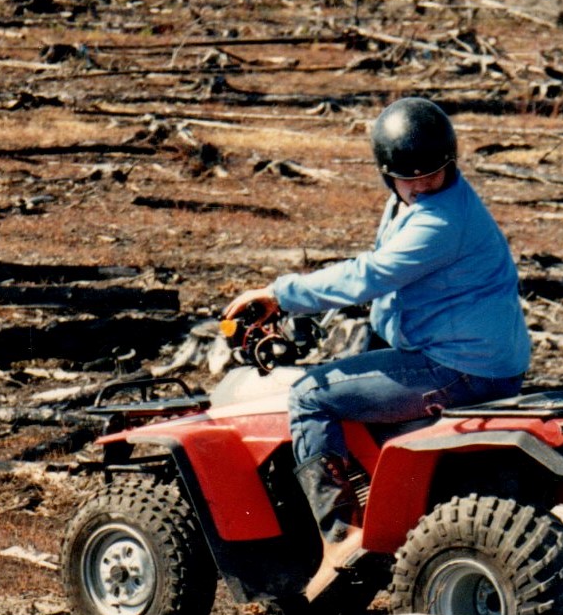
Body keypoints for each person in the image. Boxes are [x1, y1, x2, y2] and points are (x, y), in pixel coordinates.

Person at [224, 97, 530, 571]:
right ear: (387, 174)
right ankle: (375, 494)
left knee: (309, 396)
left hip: (460, 369)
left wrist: (280, 295)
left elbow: (373, 274)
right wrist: (321, 315)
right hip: (475, 356)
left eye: (436, 172)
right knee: (362, 354)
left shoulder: (439, 219)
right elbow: (390, 287)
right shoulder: (419, 202)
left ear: (451, 162)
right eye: (413, 176)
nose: (426, 183)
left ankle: (339, 534)